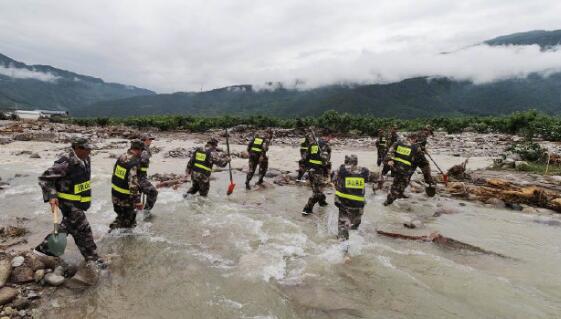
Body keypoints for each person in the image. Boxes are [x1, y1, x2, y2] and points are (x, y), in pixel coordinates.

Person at [34, 137, 105, 267]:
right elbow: (44, 179)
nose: (89, 151)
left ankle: (43, 250)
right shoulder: (65, 163)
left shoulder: (85, 159)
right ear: (77, 148)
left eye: (90, 149)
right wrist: (52, 195)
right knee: (84, 229)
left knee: (69, 227)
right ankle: (92, 257)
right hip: (68, 203)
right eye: (87, 149)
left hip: (79, 203)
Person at [383, 133, 434, 206]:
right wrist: (428, 180)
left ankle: (397, 194)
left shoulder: (398, 143)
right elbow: (424, 164)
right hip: (405, 171)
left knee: (396, 183)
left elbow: (390, 152)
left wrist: (389, 160)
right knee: (399, 187)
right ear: (414, 139)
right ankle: (387, 202)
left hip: (395, 169)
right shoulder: (416, 148)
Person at [332, 154, 374, 240]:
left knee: (343, 231)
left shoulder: (341, 169)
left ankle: (342, 248)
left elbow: (333, 178)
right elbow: (376, 178)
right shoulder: (364, 171)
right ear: (356, 162)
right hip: (358, 206)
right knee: (354, 229)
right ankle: (354, 243)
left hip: (344, 204)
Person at [109, 139, 144, 231]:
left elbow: (115, 174)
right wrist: (137, 201)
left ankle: (111, 232)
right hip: (126, 200)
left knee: (121, 218)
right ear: (139, 150)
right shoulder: (133, 162)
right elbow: (132, 184)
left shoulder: (121, 157)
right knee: (129, 226)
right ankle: (111, 237)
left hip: (115, 196)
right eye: (142, 150)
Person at [301, 134, 331, 215]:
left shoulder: (312, 144)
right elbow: (326, 162)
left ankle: (322, 202)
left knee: (316, 189)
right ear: (327, 137)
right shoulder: (325, 146)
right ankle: (307, 209)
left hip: (311, 171)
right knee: (317, 192)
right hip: (318, 171)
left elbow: (304, 158)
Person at [139, 133, 158, 218]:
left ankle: (140, 213)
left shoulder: (139, 148)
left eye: (151, 140)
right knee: (153, 192)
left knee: (137, 198)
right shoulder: (144, 151)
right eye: (149, 139)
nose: (151, 141)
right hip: (139, 178)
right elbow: (139, 163)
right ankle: (146, 212)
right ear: (144, 140)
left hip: (139, 177)